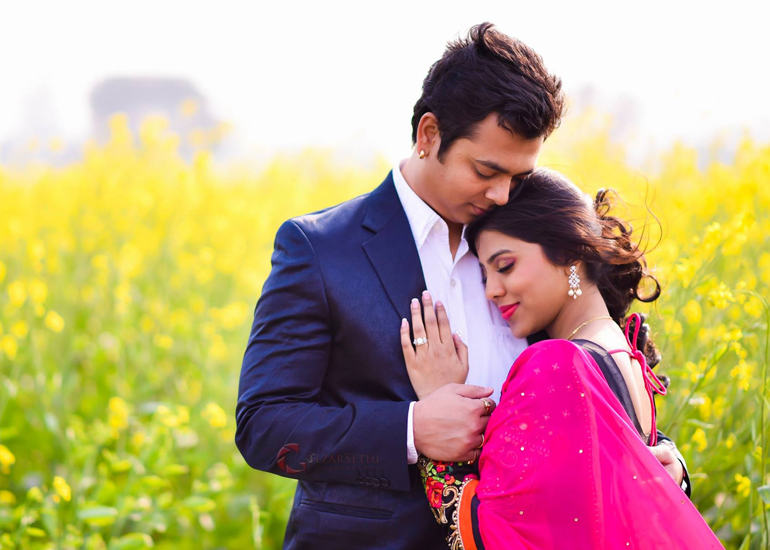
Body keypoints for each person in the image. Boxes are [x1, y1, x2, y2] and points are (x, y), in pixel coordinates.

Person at [235, 23, 689, 549]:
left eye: (518, 177)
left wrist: (661, 463)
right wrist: (411, 429)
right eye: (485, 171)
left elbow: (583, 383)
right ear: (429, 135)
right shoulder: (322, 249)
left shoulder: (524, 238)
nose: (501, 195)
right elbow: (263, 424)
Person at [403, 169, 721, 548]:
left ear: (569, 253)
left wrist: (439, 404)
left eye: (505, 266)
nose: (492, 291)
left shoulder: (556, 366)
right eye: (484, 277)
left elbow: (490, 537)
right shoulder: (623, 350)